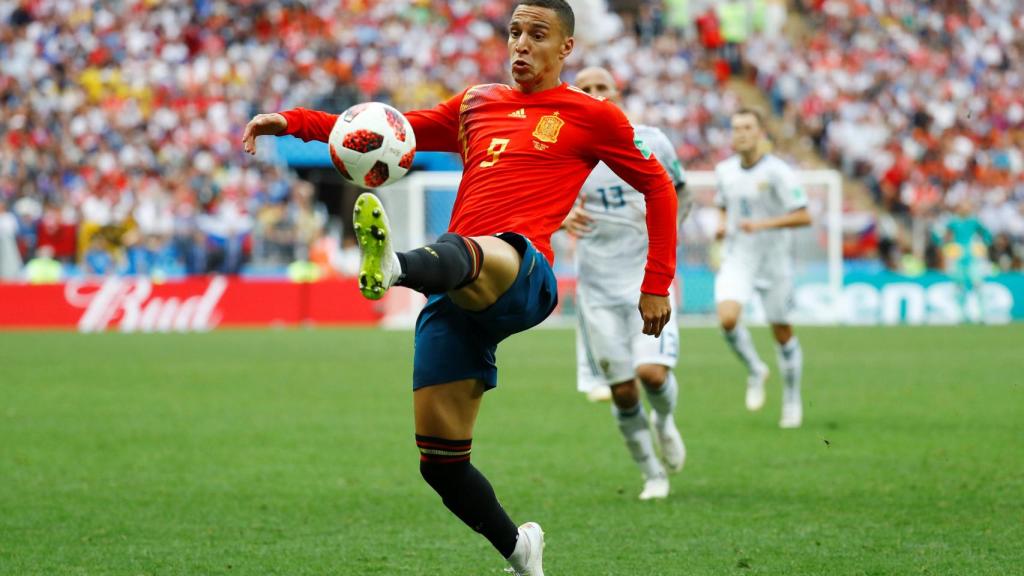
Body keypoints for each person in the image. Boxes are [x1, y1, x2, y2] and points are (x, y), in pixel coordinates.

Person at [241, 2, 678, 574]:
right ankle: (520, 550)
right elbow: (393, 130)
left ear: (566, 47)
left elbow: (659, 187)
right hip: (452, 289)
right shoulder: (477, 103)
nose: (521, 43)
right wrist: (295, 122)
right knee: (441, 463)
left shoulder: (591, 116)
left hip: (522, 273)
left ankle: (394, 267)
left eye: (537, 34)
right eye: (514, 31)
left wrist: (657, 283)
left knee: (476, 248)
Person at [560, 66, 688, 500]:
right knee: (623, 389)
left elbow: (680, 191)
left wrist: (667, 247)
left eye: (602, 88)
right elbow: (545, 201)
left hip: (645, 279)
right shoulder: (569, 148)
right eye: (586, 89)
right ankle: (652, 473)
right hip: (597, 288)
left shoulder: (651, 140)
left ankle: (666, 422)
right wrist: (561, 216)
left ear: (616, 93)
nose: (595, 94)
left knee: (651, 373)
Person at [714, 108, 810, 429]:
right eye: (735, 127)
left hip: (774, 261)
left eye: (747, 127)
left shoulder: (779, 172)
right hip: (738, 257)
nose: (740, 133)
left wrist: (763, 223)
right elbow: (723, 205)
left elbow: (803, 215)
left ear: (759, 133)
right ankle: (756, 369)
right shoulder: (724, 171)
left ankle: (792, 399)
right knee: (727, 319)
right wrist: (721, 225)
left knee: (781, 332)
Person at [943, 200, 992, 323]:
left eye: (966, 206)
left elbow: (986, 235)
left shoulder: (974, 221)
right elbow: (944, 237)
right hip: (958, 256)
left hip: (972, 257)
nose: (964, 209)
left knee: (978, 285)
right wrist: (946, 247)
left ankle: (982, 314)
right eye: (962, 206)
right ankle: (960, 314)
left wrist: (983, 246)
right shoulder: (953, 222)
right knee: (959, 286)